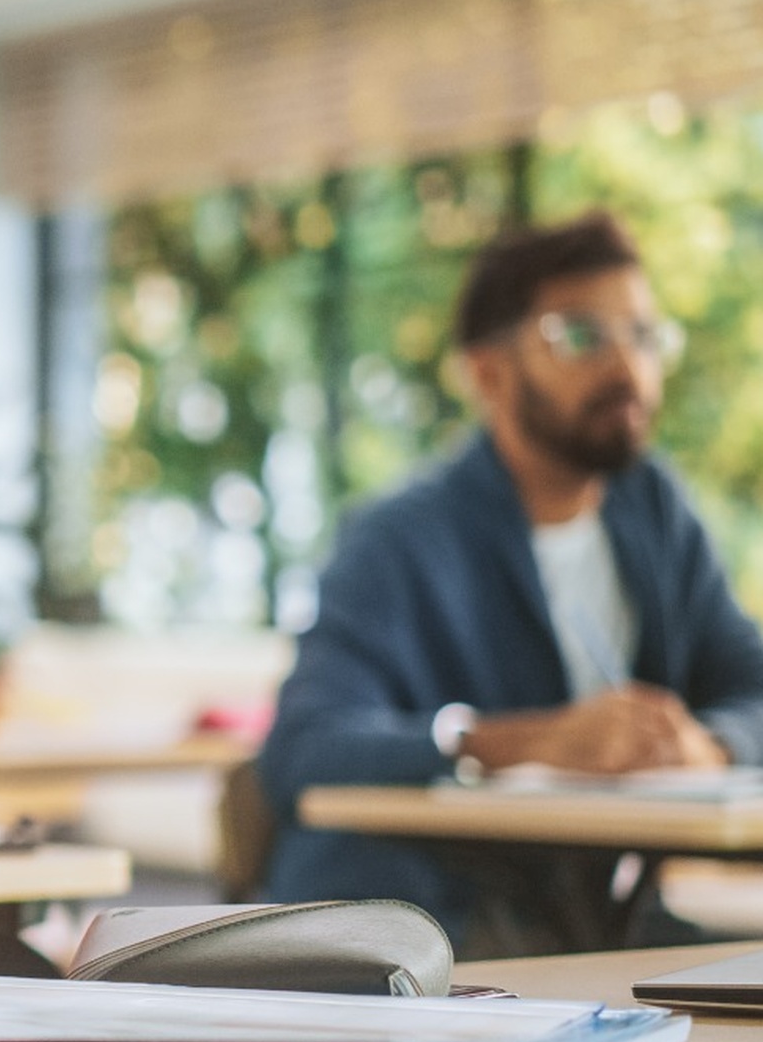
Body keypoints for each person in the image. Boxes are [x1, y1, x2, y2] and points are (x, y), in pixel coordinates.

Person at [259, 211, 763, 954]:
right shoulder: (398, 539)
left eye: (644, 335)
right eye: (583, 336)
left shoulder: (653, 510)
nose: (627, 368)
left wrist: (706, 744)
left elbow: (750, 683)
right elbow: (304, 748)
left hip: (588, 918)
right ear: (487, 372)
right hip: (421, 929)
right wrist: (528, 742)